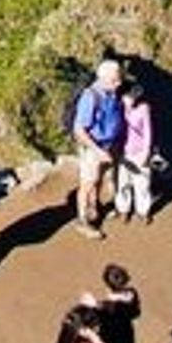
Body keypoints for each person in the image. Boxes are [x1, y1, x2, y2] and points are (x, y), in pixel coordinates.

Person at [72, 59, 125, 238]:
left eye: (119, 79)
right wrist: (97, 150)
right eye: (114, 80)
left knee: (99, 178)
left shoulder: (111, 93)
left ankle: (95, 207)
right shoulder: (90, 97)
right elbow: (79, 129)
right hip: (93, 148)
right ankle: (82, 219)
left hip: (108, 145)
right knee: (87, 183)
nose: (119, 83)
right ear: (103, 79)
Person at [114, 81, 157, 224]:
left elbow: (148, 132)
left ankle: (143, 211)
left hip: (139, 151)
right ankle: (124, 209)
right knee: (123, 183)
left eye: (132, 97)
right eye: (127, 96)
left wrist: (146, 151)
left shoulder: (144, 109)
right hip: (122, 152)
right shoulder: (118, 108)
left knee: (142, 183)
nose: (129, 99)